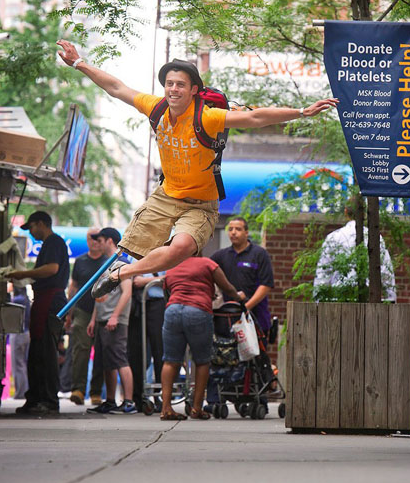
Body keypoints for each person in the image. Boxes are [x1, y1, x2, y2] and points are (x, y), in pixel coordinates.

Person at [56, 40, 338, 299]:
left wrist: (301, 112)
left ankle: (120, 273)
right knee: (129, 246)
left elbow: (254, 117)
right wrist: (79, 63)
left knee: (180, 249)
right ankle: (122, 265)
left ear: (193, 90)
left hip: (201, 205)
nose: (174, 89)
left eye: (180, 84)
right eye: (169, 84)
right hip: (166, 195)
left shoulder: (208, 116)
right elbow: (116, 88)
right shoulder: (156, 108)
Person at [160, 255, 245, 420]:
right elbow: (227, 287)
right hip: (197, 311)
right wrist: (238, 297)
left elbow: (168, 289)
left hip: (173, 311)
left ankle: (166, 408)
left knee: (170, 360)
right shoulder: (208, 264)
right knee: (202, 360)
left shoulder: (173, 264)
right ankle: (197, 408)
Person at [8, 211, 69, 415]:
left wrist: (24, 274)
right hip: (43, 299)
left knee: (46, 352)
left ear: (41, 223)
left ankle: (49, 400)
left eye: (32, 227)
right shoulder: (49, 244)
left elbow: (51, 269)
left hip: (51, 301)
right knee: (36, 352)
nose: (32, 233)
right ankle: (35, 397)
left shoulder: (54, 242)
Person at [85, 228, 136, 415]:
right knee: (107, 361)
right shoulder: (105, 264)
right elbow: (98, 295)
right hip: (102, 318)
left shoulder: (121, 263)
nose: (98, 244)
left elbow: (127, 292)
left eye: (101, 240)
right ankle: (110, 401)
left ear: (109, 241)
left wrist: (115, 316)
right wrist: (93, 319)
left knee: (119, 358)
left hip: (115, 320)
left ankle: (129, 401)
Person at [313, 205, 396, 302]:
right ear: (365, 213)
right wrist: (391, 298)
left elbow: (324, 272)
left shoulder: (333, 238)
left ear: (345, 211)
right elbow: (386, 271)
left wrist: (318, 300)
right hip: (368, 299)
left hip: (338, 299)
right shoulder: (375, 237)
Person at [211, 217, 274, 337]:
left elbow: (266, 285)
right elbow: (204, 271)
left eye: (238, 229)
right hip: (228, 316)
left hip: (256, 316)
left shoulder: (259, 254)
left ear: (246, 232)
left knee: (257, 353)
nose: (233, 232)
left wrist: (246, 307)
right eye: (230, 229)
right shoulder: (221, 255)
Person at [67, 228, 107, 406]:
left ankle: (96, 392)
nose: (95, 241)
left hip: (104, 311)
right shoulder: (80, 260)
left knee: (101, 352)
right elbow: (73, 286)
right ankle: (78, 389)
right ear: (87, 240)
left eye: (99, 238)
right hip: (82, 311)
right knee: (80, 350)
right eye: (92, 238)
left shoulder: (108, 261)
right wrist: (69, 313)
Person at [128, 272, 165, 413]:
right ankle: (137, 397)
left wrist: (146, 280)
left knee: (159, 350)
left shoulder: (164, 254)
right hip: (137, 303)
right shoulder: (133, 257)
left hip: (158, 304)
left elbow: (168, 277)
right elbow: (131, 278)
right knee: (136, 352)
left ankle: (161, 396)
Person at [9, 286, 30, 399]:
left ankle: (21, 392)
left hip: (18, 333)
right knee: (22, 363)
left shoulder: (17, 300)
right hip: (26, 333)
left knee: (18, 364)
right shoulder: (25, 299)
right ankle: (23, 390)